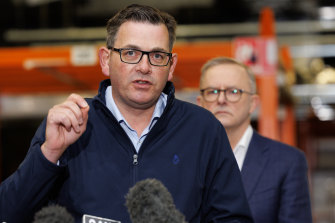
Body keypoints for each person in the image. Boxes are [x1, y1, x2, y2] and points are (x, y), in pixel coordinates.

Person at [0, 5, 254, 223]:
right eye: (130, 53)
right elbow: (8, 212)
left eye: (157, 55)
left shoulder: (203, 130)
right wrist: (49, 154)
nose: (144, 67)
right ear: (105, 60)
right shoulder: (69, 124)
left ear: (171, 65)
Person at [196, 56, 313, 223]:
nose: (221, 100)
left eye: (233, 92)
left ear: (253, 103)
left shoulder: (288, 162)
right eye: (212, 91)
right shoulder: (180, 159)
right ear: (200, 103)